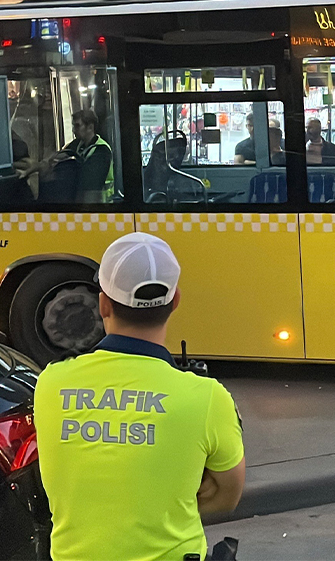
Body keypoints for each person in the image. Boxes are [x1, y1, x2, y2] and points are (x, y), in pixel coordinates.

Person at [35, 233, 246, 561]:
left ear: (103, 304)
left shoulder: (50, 384)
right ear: (175, 300)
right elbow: (227, 496)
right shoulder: (207, 398)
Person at [20, 109, 115, 203]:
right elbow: (57, 156)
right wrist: (38, 166)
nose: (74, 130)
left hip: (101, 206)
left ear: (90, 127)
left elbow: (88, 184)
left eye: (77, 126)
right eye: (74, 126)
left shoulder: (101, 151)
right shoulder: (77, 144)